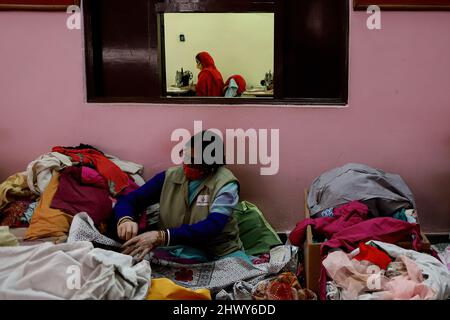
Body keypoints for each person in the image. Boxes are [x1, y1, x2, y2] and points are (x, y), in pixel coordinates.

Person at [115, 131, 244, 262]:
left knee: (244, 274)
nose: (186, 166)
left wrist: (162, 236)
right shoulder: (170, 177)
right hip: (174, 249)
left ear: (210, 165)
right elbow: (130, 199)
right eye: (185, 157)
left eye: (194, 162)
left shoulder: (226, 184)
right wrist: (125, 219)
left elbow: (213, 226)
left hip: (219, 252)